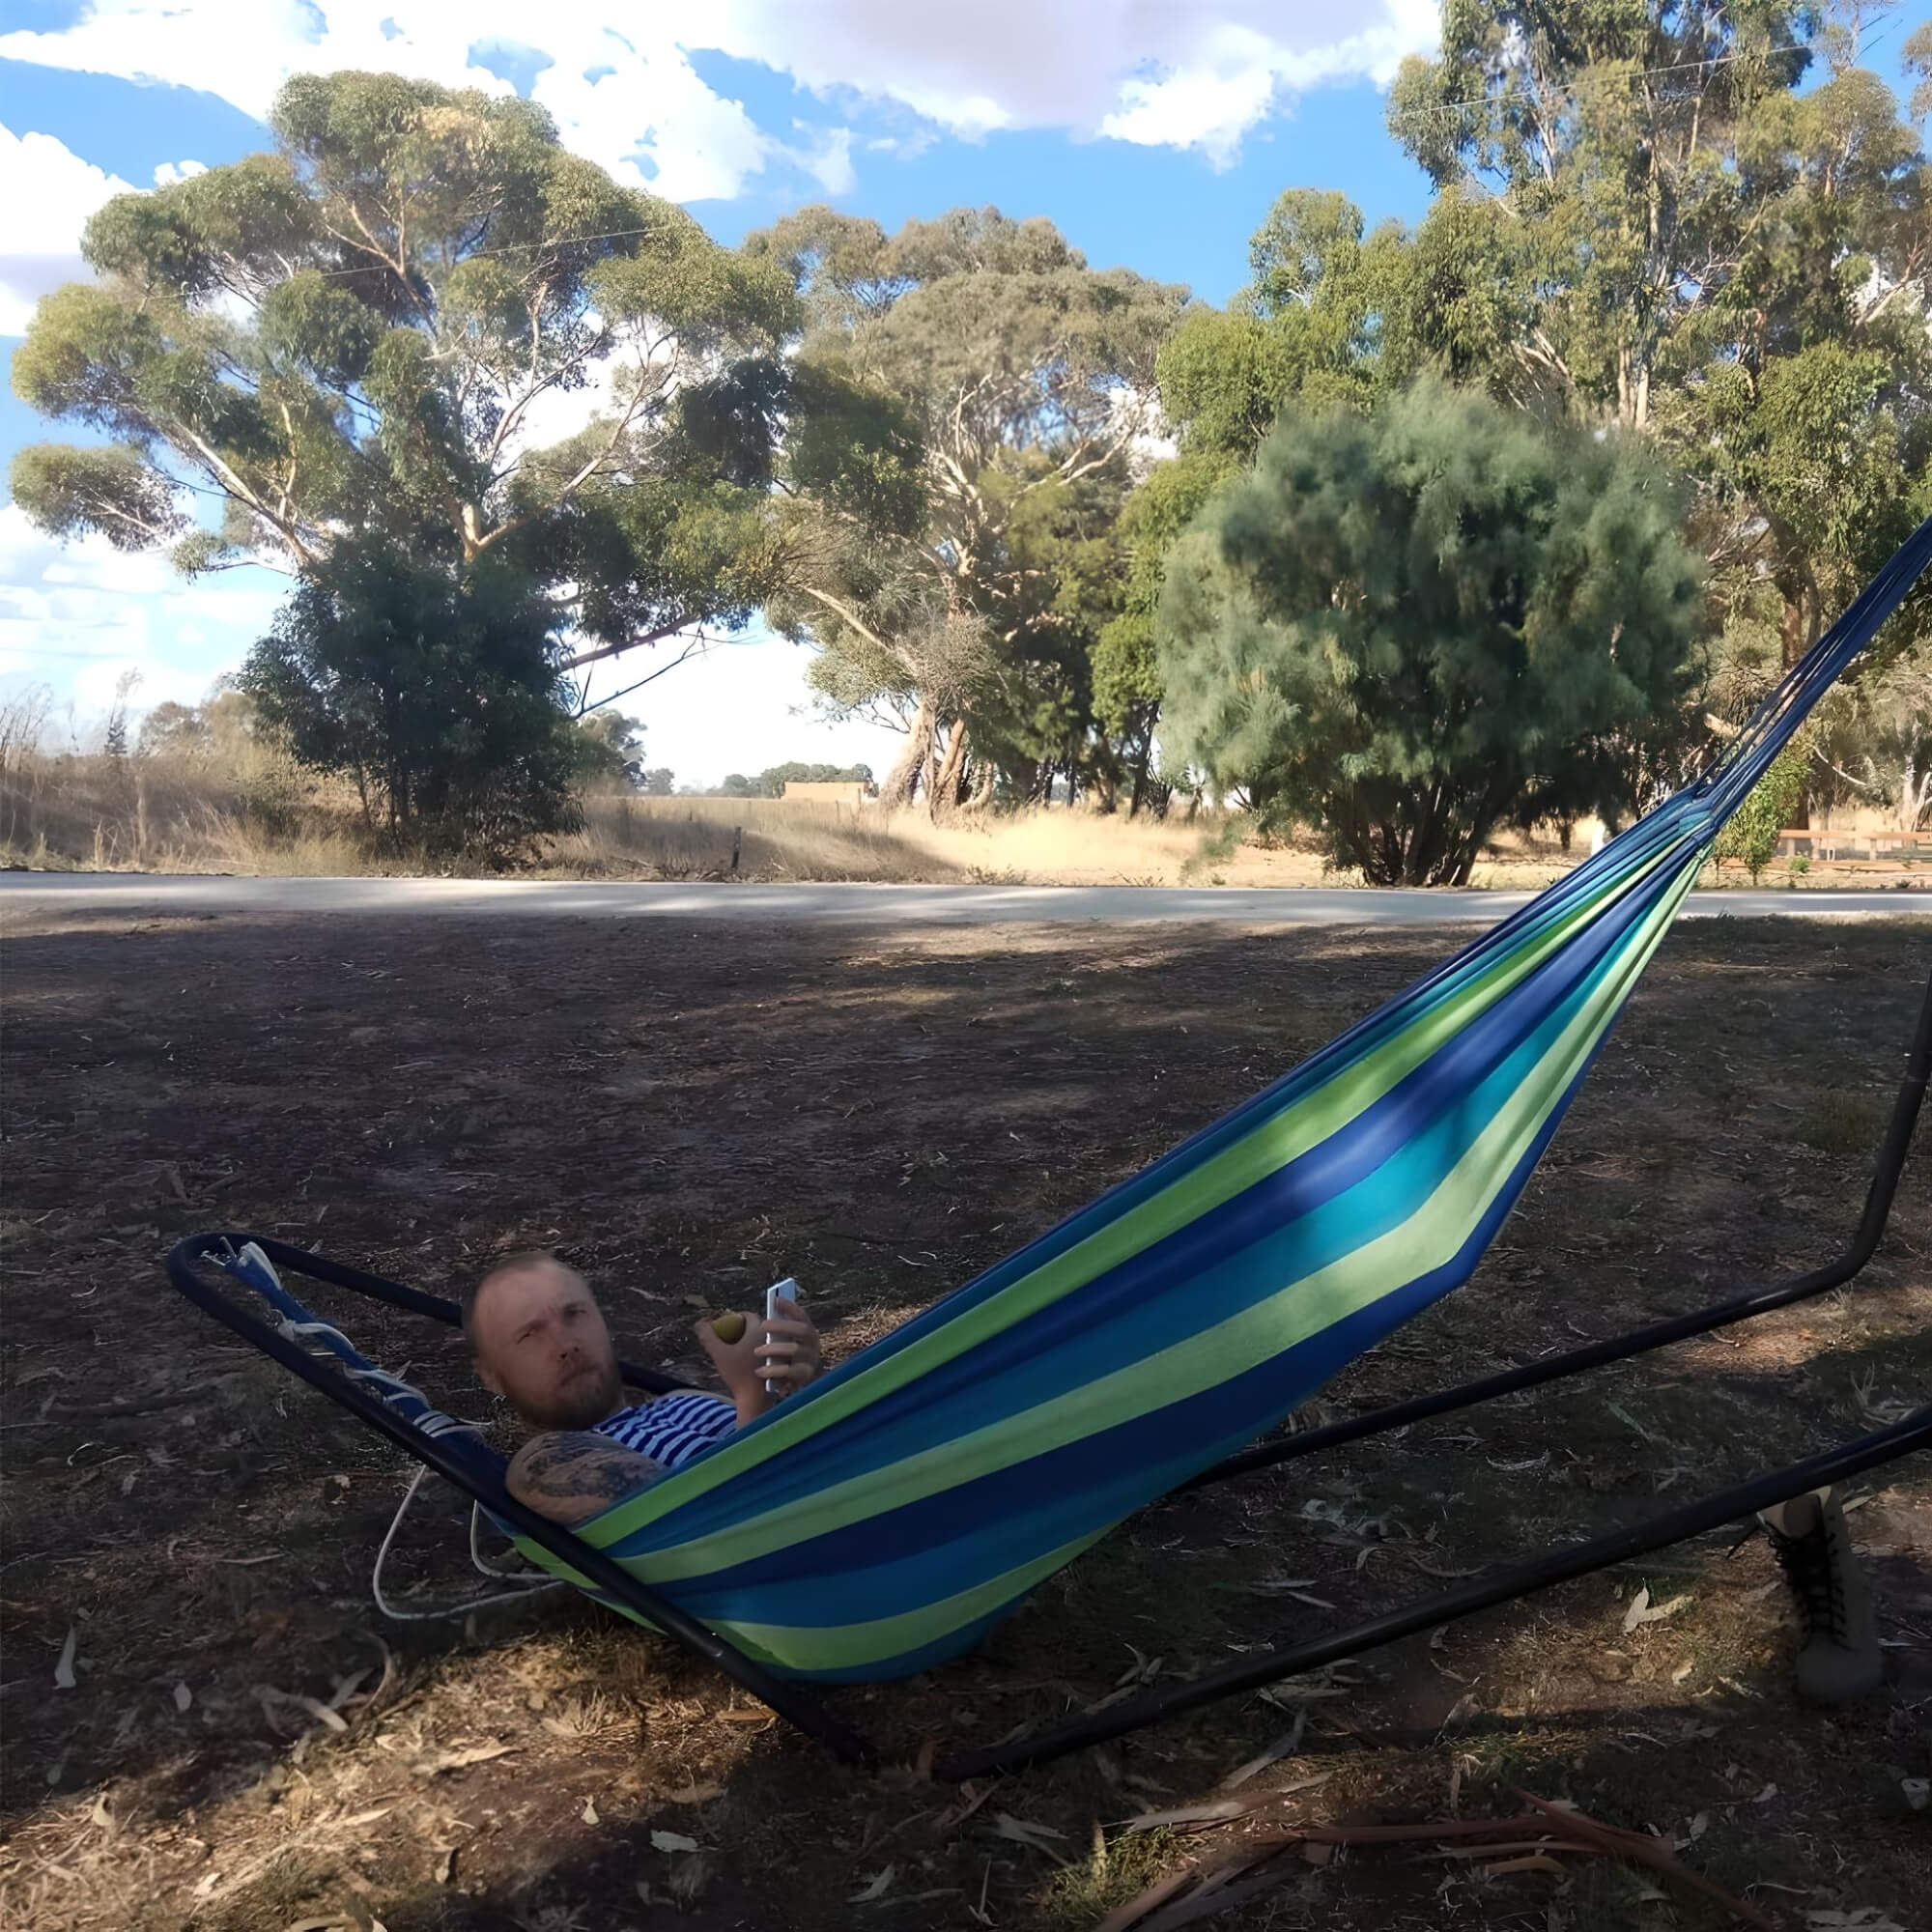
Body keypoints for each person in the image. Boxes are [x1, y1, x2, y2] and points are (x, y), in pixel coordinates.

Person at [464, 1251, 822, 1524]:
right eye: (530, 1334)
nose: (565, 1344)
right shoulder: (543, 1464)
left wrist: (806, 1384)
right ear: (492, 1376)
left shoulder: (681, 1402)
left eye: (575, 1314)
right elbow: (716, 1527)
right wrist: (751, 1394)